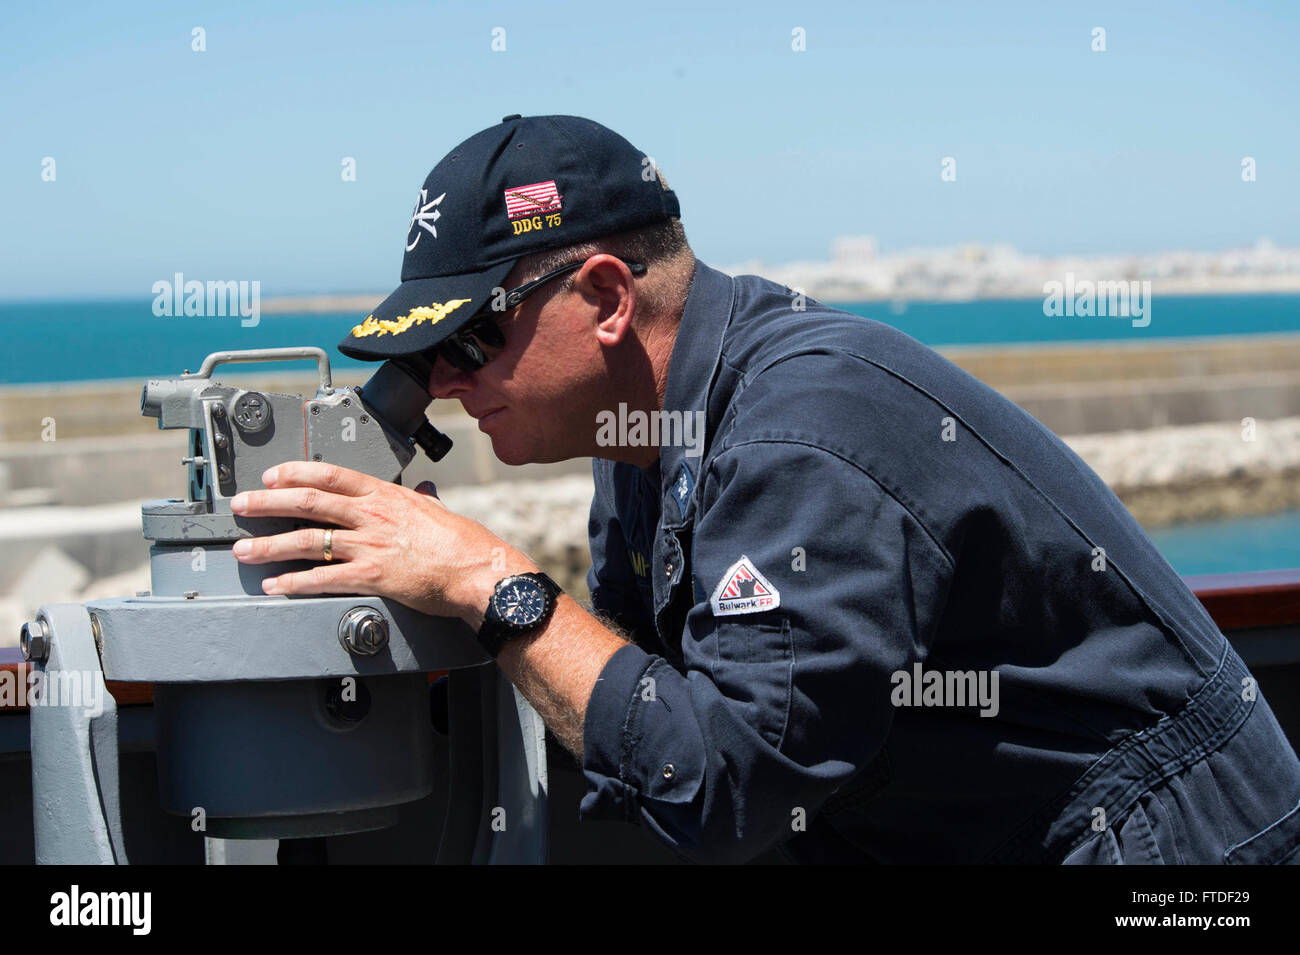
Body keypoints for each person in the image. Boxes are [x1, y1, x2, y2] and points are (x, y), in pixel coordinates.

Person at [228, 114, 1300, 864]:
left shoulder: (800, 434)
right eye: (430, 360)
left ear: (604, 295)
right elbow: (666, 715)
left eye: (470, 337)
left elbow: (725, 787)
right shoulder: (648, 430)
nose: (449, 385)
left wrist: (495, 585)